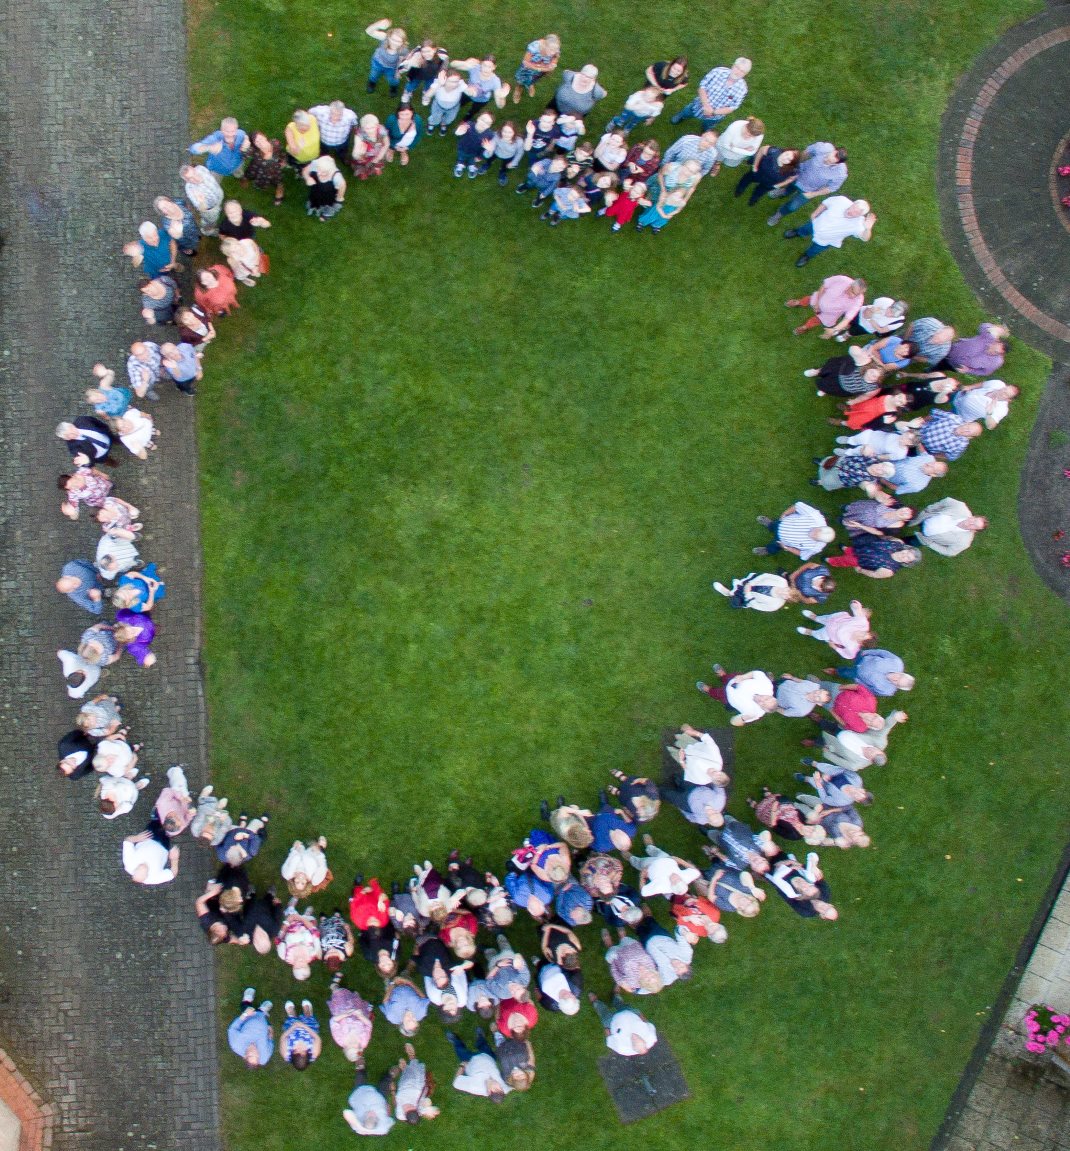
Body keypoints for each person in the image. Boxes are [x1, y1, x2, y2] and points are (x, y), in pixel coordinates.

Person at [766, 141, 848, 224]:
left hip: (808, 190)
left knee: (792, 207)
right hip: (798, 175)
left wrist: (812, 194)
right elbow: (807, 152)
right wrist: (796, 165)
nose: (828, 159)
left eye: (832, 161)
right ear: (834, 150)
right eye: (833, 155)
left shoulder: (841, 173)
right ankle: (784, 192)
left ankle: (779, 214)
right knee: (790, 186)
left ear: (838, 163)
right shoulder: (823, 147)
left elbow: (831, 188)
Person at [784, 196, 876, 267]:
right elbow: (826, 203)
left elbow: (865, 238)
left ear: (860, 216)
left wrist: (868, 228)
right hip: (816, 224)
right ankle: (798, 233)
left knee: (815, 249)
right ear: (852, 204)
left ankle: (806, 256)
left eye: (857, 213)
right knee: (804, 229)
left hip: (826, 240)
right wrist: (815, 213)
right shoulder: (841, 200)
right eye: (853, 208)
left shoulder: (859, 224)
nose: (852, 212)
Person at [670, 57, 750, 128]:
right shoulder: (718, 71)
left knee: (708, 125)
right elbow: (702, 87)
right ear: (733, 66)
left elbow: (732, 107)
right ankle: (682, 116)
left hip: (715, 115)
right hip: (699, 104)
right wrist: (706, 106)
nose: (738, 72)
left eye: (742, 71)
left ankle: (705, 130)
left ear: (745, 74)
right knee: (688, 111)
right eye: (737, 68)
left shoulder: (742, 89)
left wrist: (713, 112)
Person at [763, 851, 838, 919]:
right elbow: (814, 874)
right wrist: (801, 866)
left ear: (822, 916)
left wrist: (777, 883)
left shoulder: (806, 911)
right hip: (798, 873)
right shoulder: (825, 892)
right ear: (830, 905)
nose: (824, 908)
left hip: (787, 884)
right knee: (776, 854)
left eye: (824, 912)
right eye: (827, 908)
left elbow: (788, 898)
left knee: (766, 868)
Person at [785, 276, 866, 338]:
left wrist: (834, 330)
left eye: (856, 294)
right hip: (820, 299)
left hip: (831, 313)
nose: (853, 296)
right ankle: (798, 302)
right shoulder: (842, 279)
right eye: (853, 292)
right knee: (810, 299)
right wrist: (817, 303)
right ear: (850, 285)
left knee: (818, 320)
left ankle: (805, 327)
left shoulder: (858, 300)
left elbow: (847, 319)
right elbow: (824, 286)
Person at [904, 498, 987, 557]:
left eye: (974, 526)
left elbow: (950, 552)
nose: (971, 523)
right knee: (903, 521)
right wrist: (930, 509)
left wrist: (931, 544)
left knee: (905, 543)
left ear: (974, 531)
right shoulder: (960, 507)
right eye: (974, 520)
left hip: (925, 538)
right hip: (924, 518)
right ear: (973, 517)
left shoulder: (964, 543)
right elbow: (947, 501)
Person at [697, 665, 777, 726]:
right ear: (771, 695)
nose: (761, 700)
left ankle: (709, 690)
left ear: (763, 710)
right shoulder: (767, 686)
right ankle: (723, 676)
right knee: (727, 678)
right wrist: (743, 677)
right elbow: (756, 673)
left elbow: (733, 721)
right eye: (766, 698)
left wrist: (744, 718)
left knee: (717, 693)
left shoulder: (754, 713)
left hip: (728, 697)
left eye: (763, 704)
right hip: (736, 680)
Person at [626, 835, 700, 898]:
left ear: (671, 885)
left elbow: (644, 892)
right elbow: (696, 871)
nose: (675, 877)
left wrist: (642, 876)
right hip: (666, 858)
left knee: (637, 862)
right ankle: (650, 847)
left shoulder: (662, 887)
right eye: (679, 879)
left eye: (674, 881)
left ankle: (627, 854)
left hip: (649, 865)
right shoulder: (687, 878)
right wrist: (680, 860)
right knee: (655, 850)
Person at [752, 502, 835, 559]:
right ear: (821, 527)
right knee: (774, 525)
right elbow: (797, 506)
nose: (811, 533)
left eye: (815, 536)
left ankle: (767, 550)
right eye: (816, 530)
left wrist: (786, 548)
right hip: (781, 523)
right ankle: (770, 524)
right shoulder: (815, 517)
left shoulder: (816, 547)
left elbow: (802, 554)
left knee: (774, 547)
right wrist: (784, 514)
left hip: (782, 542)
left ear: (820, 541)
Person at [447, 1029, 511, 1099]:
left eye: (496, 1089)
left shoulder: (475, 1087)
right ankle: (480, 1037)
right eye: (501, 1089)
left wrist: (462, 1066)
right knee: (483, 1045)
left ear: (489, 1092)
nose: (498, 1085)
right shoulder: (504, 1087)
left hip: (470, 1060)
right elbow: (514, 1086)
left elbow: (456, 1083)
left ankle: (455, 1040)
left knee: (460, 1050)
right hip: (488, 1057)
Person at [796, 600, 873, 658]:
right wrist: (855, 605)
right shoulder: (863, 624)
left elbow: (849, 655)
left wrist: (835, 647)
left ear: (861, 643)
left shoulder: (852, 647)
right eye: (865, 633)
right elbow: (857, 610)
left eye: (862, 636)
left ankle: (809, 632)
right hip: (835, 619)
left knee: (818, 635)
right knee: (822, 618)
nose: (861, 633)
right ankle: (814, 617)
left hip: (829, 634)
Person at [327, 974, 374, 1063]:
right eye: (356, 1047)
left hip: (342, 1012)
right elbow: (369, 1025)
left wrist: (345, 1014)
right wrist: (361, 1016)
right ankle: (355, 998)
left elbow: (332, 1021)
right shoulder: (363, 1042)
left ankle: (334, 986)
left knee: (340, 997)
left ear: (346, 1048)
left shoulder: (340, 1039)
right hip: (358, 1015)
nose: (353, 1044)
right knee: (360, 1004)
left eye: (350, 1047)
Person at [734, 142, 800, 205]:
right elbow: (761, 150)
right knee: (746, 179)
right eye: (787, 154)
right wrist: (755, 165)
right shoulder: (773, 151)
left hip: (769, 183)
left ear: (791, 163)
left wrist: (779, 185)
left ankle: (754, 197)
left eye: (789, 160)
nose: (785, 158)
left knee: (761, 191)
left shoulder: (792, 169)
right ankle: (740, 189)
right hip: (757, 172)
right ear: (786, 151)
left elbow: (792, 178)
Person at [122, 815, 180, 886]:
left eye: (139, 866)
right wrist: (174, 859)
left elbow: (127, 841)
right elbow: (172, 874)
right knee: (169, 830)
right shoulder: (154, 878)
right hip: (164, 845)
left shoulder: (128, 863)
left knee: (157, 820)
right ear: (147, 875)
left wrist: (136, 838)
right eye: (145, 867)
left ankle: (157, 814)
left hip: (148, 837)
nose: (143, 864)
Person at [449, 54, 510, 120]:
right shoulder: (475, 68)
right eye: (484, 65)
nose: (486, 69)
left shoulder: (495, 81)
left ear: (494, 67)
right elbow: (452, 65)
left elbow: (500, 106)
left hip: (481, 100)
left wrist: (503, 95)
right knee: (458, 103)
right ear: (481, 64)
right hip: (467, 92)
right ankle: (453, 110)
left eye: (489, 67)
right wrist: (465, 63)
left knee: (472, 111)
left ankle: (465, 120)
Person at [276, 898, 322, 981]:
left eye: (298, 967)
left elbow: (280, 937)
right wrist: (303, 920)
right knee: (313, 921)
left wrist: (287, 922)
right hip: (307, 926)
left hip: (291, 925)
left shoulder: (284, 955)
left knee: (291, 912)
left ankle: (291, 907)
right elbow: (315, 934)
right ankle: (306, 914)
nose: (300, 963)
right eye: (304, 966)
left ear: (293, 968)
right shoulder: (312, 954)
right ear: (308, 965)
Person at [391, 1046, 439, 1123]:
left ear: (405, 1115)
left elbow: (396, 1104)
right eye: (412, 1107)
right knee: (414, 1069)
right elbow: (435, 1110)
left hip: (402, 1087)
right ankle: (412, 1056)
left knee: (404, 1078)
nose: (408, 1106)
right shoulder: (421, 1109)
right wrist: (431, 1110)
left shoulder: (400, 1115)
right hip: (415, 1084)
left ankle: (405, 1069)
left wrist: (393, 1091)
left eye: (407, 1109)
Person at [227, 988, 274, 1068]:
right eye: (257, 1056)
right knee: (262, 1015)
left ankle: (247, 1000)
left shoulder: (236, 1044)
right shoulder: (264, 1058)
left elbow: (233, 1028)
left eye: (252, 1055)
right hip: (263, 1023)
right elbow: (270, 1042)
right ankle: (262, 1011)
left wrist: (245, 1014)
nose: (256, 1052)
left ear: (245, 1056)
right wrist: (271, 1032)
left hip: (248, 1018)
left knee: (246, 1007)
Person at [343, 1066, 396, 1135]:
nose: (371, 1113)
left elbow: (346, 1112)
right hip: (380, 1098)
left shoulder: (357, 1121)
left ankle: (360, 1062)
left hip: (361, 1092)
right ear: (377, 1120)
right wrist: (387, 1107)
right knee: (388, 1078)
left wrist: (361, 1128)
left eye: (369, 1116)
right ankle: (393, 1072)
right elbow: (389, 1117)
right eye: (372, 1116)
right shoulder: (383, 1127)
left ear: (364, 1119)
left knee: (360, 1072)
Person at [945, 322, 1010, 377]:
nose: (991, 350)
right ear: (997, 341)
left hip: (955, 365)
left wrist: (968, 370)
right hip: (951, 349)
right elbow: (982, 326)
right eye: (993, 346)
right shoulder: (989, 337)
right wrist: (994, 328)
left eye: (995, 352)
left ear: (1001, 354)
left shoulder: (996, 362)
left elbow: (985, 372)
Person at [512, 34, 560, 101]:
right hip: (527, 69)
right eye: (551, 50)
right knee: (520, 81)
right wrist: (541, 68)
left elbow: (554, 62)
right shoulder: (534, 47)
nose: (552, 53)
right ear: (545, 44)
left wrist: (552, 65)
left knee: (532, 80)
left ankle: (530, 85)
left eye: (554, 50)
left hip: (538, 72)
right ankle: (518, 90)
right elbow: (525, 62)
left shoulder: (555, 49)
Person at [365, 19, 408, 94]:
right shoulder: (385, 38)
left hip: (392, 68)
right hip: (377, 63)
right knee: (373, 75)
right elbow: (368, 31)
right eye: (393, 39)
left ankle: (393, 88)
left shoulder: (403, 50)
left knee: (393, 80)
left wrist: (397, 72)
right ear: (389, 37)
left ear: (402, 42)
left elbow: (400, 60)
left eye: (398, 41)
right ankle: (372, 84)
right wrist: (378, 25)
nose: (395, 43)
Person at [400, 39, 449, 104]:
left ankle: (426, 95)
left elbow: (445, 63)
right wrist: (399, 71)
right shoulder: (417, 55)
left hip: (432, 75)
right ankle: (407, 92)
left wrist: (442, 72)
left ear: (434, 50)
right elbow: (406, 64)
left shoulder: (442, 54)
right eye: (423, 51)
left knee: (429, 86)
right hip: (416, 75)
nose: (426, 54)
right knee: (411, 85)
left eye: (428, 51)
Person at [180, 164, 224, 235]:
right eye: (191, 178)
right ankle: (207, 231)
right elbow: (202, 209)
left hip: (219, 195)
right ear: (186, 180)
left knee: (219, 205)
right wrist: (201, 201)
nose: (196, 178)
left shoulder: (201, 168)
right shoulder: (190, 190)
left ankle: (218, 208)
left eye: (194, 173)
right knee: (210, 221)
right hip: (211, 209)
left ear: (194, 168)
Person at [243, 131, 286, 204]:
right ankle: (244, 181)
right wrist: (244, 147)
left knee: (278, 183)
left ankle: (279, 195)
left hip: (274, 170)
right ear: (255, 145)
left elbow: (281, 152)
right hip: (257, 169)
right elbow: (244, 156)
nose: (260, 142)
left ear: (265, 137)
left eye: (260, 138)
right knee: (248, 176)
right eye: (256, 141)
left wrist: (283, 161)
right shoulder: (254, 150)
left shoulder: (275, 143)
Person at [280, 1000, 321, 1070]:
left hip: (291, 1029)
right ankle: (307, 1012)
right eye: (302, 1051)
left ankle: (292, 1014)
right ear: (306, 1055)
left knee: (292, 1019)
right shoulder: (314, 1053)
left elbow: (283, 1038)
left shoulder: (285, 1054)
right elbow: (317, 1038)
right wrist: (304, 1026)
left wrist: (293, 1027)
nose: (299, 1048)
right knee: (308, 1017)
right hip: (309, 1028)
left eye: (295, 1050)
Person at [303, 155, 347, 220]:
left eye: (324, 172)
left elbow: (342, 186)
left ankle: (327, 213)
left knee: (328, 205)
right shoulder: (317, 164)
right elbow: (305, 170)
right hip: (316, 189)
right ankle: (314, 205)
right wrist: (307, 178)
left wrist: (338, 200)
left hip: (328, 195)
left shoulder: (336, 176)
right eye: (318, 169)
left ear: (331, 170)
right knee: (314, 198)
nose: (319, 174)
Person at [351, 114, 391, 179]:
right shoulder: (360, 134)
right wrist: (359, 155)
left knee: (378, 161)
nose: (370, 131)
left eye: (372, 127)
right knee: (362, 164)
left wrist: (379, 157)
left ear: (377, 126)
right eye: (367, 128)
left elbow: (387, 144)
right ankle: (363, 172)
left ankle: (376, 168)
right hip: (365, 155)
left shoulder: (382, 130)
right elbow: (355, 152)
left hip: (378, 152)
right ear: (363, 128)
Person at [283, 109, 320, 176]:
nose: (306, 127)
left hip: (314, 154)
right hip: (300, 158)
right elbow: (294, 152)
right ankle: (299, 172)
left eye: (307, 124)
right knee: (301, 168)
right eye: (302, 125)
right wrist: (299, 146)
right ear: (296, 123)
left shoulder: (312, 119)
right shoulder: (290, 129)